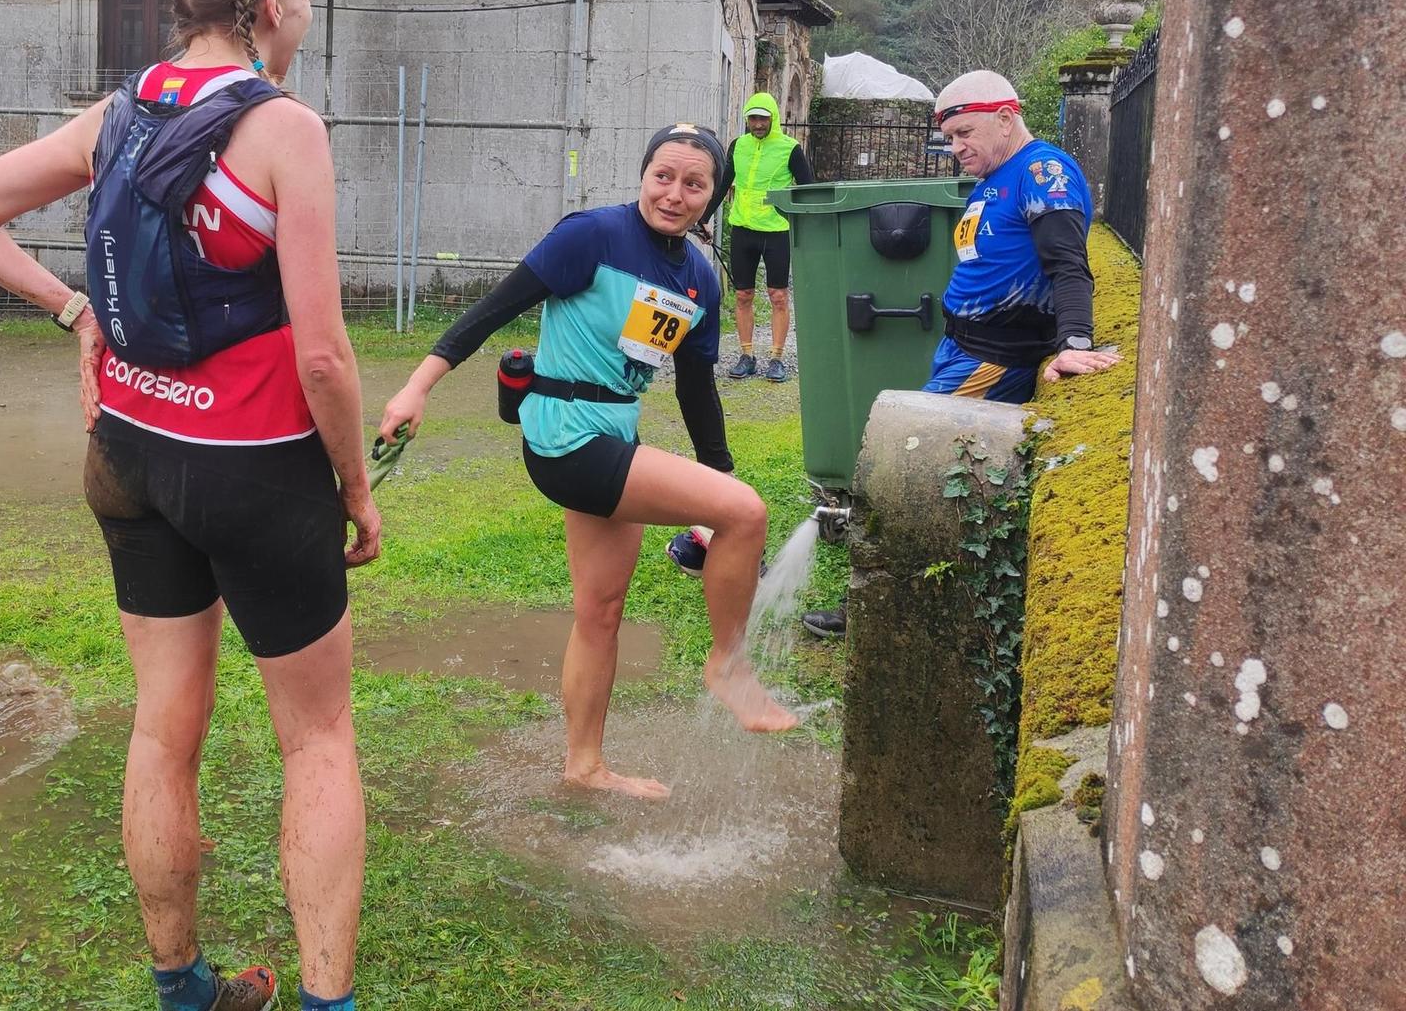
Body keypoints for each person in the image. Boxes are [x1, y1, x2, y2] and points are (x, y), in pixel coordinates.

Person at [0, 0, 375, 1011]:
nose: (307, 16)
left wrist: (75, 312)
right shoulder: (282, 128)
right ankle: (326, 1001)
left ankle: (181, 990)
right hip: (255, 469)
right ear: (266, 6)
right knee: (316, 739)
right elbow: (320, 354)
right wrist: (354, 489)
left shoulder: (120, 113)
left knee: (163, 724)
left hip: (126, 453)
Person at [379, 122, 798, 802]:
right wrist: (416, 386)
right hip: (565, 435)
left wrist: (716, 466)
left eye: (694, 183)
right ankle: (728, 664)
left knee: (600, 609)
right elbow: (492, 311)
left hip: (614, 435)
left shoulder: (697, 278)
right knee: (745, 512)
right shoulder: (591, 236)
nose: (674, 192)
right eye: (663, 175)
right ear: (643, 173)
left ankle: (584, 764)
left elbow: (695, 387)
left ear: (713, 195)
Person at [800, 69, 1121, 639]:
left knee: (909, 472)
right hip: (960, 349)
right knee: (924, 471)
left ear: (1005, 117)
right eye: (949, 139)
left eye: (965, 133)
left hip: (993, 360)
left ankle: (877, 613)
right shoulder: (995, 178)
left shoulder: (1043, 172)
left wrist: (1073, 345)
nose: (956, 149)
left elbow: (1069, 265)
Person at [723, 92, 813, 383]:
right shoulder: (738, 146)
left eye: (763, 118)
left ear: (773, 118)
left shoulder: (790, 148)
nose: (758, 123)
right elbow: (723, 184)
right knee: (742, 295)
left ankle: (776, 358)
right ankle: (747, 356)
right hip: (743, 229)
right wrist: (699, 219)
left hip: (776, 232)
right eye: (753, 118)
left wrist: (806, 225)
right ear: (747, 119)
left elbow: (808, 189)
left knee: (778, 296)